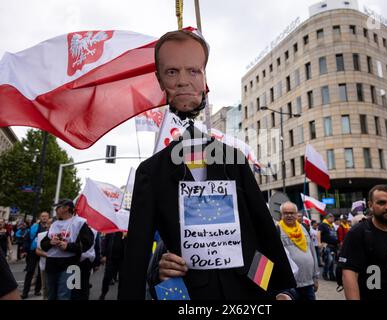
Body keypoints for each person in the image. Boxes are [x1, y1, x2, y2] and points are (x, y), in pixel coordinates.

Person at [119, 29, 295, 300]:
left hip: (248, 294)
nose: (183, 81)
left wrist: (279, 291)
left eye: (193, 71)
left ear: (204, 79)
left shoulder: (234, 161)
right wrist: (158, 272)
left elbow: (260, 235)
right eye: (172, 72)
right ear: (160, 80)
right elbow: (137, 257)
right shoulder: (151, 173)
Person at [41, 199, 94, 300]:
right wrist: (50, 242)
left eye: (58, 207)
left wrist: (68, 246)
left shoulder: (79, 222)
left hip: (69, 265)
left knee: (64, 296)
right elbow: (43, 245)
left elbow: (88, 243)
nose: (55, 210)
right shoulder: (54, 224)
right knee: (51, 295)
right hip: (51, 265)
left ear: (66, 208)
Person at [276, 202, 319, 300]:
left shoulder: (303, 228)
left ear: (296, 214)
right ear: (281, 215)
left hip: (308, 283)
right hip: (288, 285)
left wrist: (315, 277)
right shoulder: (277, 229)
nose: (289, 215)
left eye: (292, 213)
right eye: (286, 213)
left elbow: (312, 252)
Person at [21, 211, 50, 299]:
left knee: (42, 271)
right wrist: (25, 250)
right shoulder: (34, 227)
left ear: (48, 217)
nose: (44, 218)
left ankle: (37, 290)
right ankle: (25, 292)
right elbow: (27, 239)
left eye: (46, 216)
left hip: (43, 252)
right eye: (42, 216)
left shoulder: (51, 227)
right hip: (33, 251)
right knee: (30, 271)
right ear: (40, 217)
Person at [99, 231, 126, 300]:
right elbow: (105, 242)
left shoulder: (126, 230)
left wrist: (125, 237)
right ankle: (103, 293)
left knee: (122, 280)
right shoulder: (112, 229)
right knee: (107, 277)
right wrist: (104, 254)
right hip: (111, 258)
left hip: (122, 260)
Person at [36, 217, 52, 299]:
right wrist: (50, 255)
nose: (51, 225)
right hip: (44, 266)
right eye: (49, 223)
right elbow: (38, 251)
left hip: (59, 267)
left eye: (53, 223)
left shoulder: (61, 235)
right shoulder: (41, 235)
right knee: (45, 288)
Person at [319, 214, 338, 281]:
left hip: (333, 245)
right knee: (329, 260)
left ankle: (331, 275)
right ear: (328, 218)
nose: (333, 219)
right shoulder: (323, 225)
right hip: (326, 245)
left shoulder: (331, 226)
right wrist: (319, 243)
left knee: (332, 261)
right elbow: (319, 233)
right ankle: (325, 273)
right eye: (332, 218)